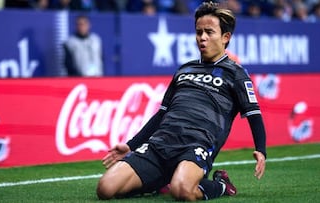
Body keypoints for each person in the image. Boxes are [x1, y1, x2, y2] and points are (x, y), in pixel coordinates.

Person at [96, 1, 266, 201]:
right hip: (160, 143)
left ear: (225, 37)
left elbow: (254, 114)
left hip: (195, 145)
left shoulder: (236, 74)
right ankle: (159, 180)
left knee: (182, 191)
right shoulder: (184, 70)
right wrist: (131, 145)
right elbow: (162, 113)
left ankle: (220, 184)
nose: (202, 37)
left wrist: (261, 150)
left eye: (209, 32)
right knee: (105, 189)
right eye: (199, 32)